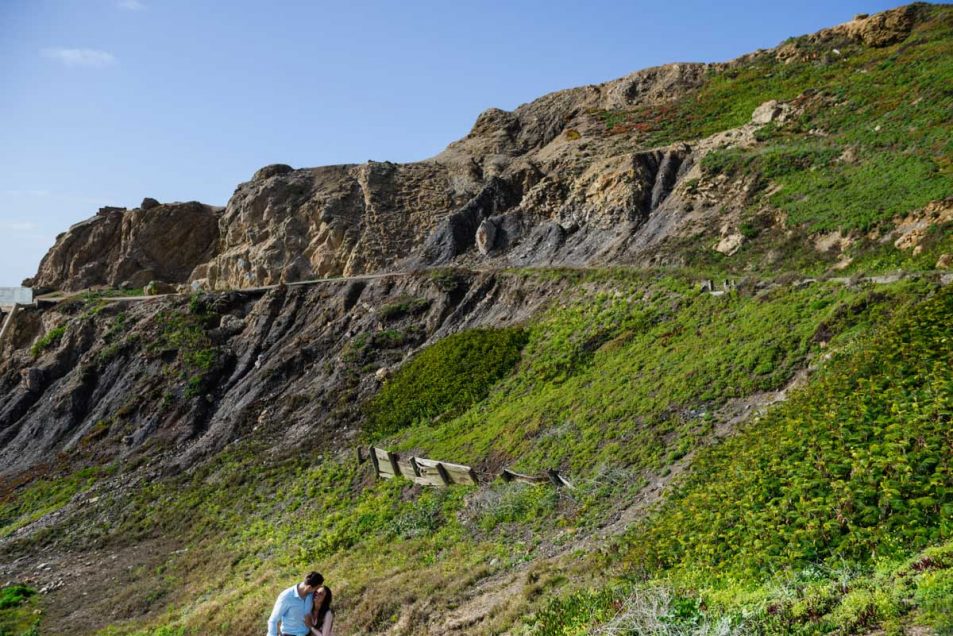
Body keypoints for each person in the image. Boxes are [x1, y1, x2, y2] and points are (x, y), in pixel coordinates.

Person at [267, 572, 324, 636]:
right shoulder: (286, 597)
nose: (317, 591)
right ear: (309, 588)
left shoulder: (311, 595)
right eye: (316, 588)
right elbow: (273, 620)